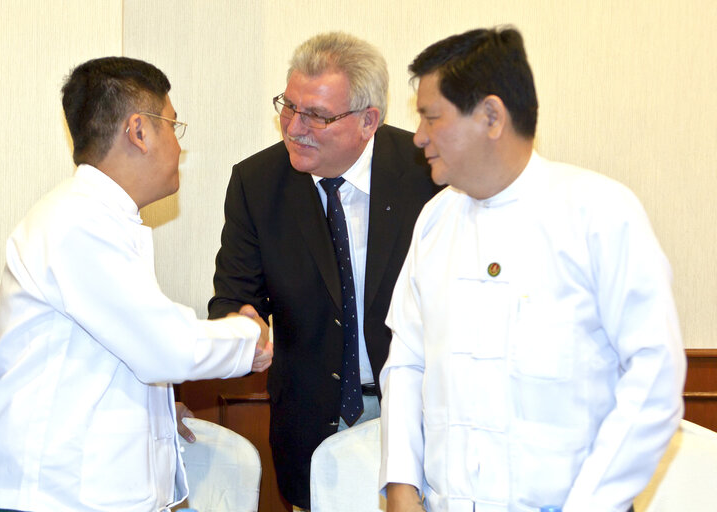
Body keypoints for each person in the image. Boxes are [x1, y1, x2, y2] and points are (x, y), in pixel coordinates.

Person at [379, 27, 686, 512]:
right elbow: (407, 361)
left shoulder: (599, 212)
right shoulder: (435, 221)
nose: (417, 137)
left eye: (431, 117)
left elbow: (655, 378)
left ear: (491, 116)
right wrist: (400, 487)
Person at [0, 56, 271, 512]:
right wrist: (251, 338)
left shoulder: (98, 219)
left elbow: (111, 353)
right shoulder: (77, 222)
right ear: (139, 131)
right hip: (45, 497)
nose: (178, 147)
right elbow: (164, 346)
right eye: (172, 125)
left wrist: (157, 414)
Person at [203, 32, 439, 509]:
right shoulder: (257, 183)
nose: (294, 127)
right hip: (310, 424)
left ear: (368, 120)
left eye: (317, 115)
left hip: (419, 415)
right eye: (289, 106)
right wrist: (241, 324)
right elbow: (232, 297)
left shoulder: (425, 173)